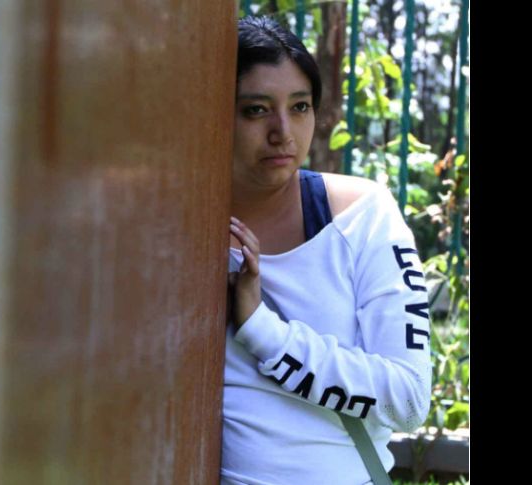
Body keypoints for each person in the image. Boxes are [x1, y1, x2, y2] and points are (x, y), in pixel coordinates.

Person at [223, 16, 432, 485]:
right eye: (256, 110)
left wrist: (264, 332)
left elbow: (410, 398)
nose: (282, 132)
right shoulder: (175, 234)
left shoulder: (362, 216)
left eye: (300, 107)